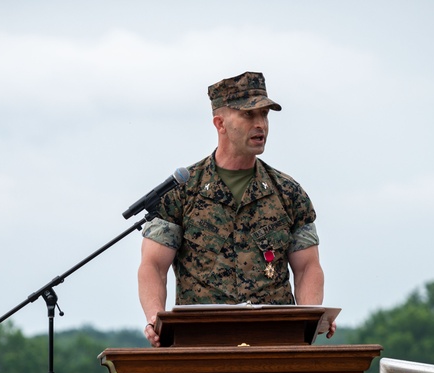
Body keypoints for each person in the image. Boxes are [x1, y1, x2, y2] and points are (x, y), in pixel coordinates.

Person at [137, 71, 335, 347]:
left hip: (275, 343)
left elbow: (308, 268)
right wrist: (154, 319)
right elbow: (153, 266)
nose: (260, 125)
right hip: (200, 343)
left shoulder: (288, 193)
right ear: (220, 123)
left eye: (264, 115)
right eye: (248, 116)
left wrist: (312, 318)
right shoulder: (182, 192)